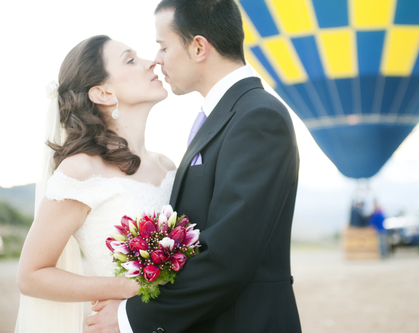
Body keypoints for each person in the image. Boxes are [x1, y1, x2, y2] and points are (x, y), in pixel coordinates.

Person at [86, 0, 302, 332]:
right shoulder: (224, 115)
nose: (156, 60)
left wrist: (130, 318)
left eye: (163, 46)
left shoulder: (257, 117)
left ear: (199, 46)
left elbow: (229, 256)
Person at [16, 35, 176, 332]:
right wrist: (122, 287)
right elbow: (31, 275)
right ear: (103, 93)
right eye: (130, 59)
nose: (151, 61)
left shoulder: (168, 166)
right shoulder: (82, 170)